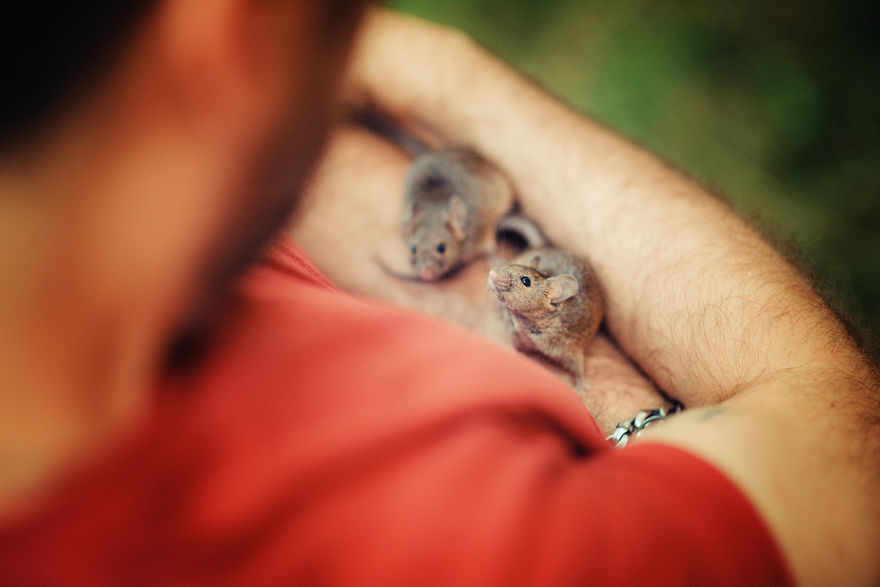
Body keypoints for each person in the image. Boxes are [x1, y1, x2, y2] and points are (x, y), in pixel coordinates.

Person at [1, 2, 878, 585]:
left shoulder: (146, 229)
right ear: (230, 35)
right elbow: (849, 465)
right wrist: (435, 69)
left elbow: (305, 157)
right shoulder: (464, 545)